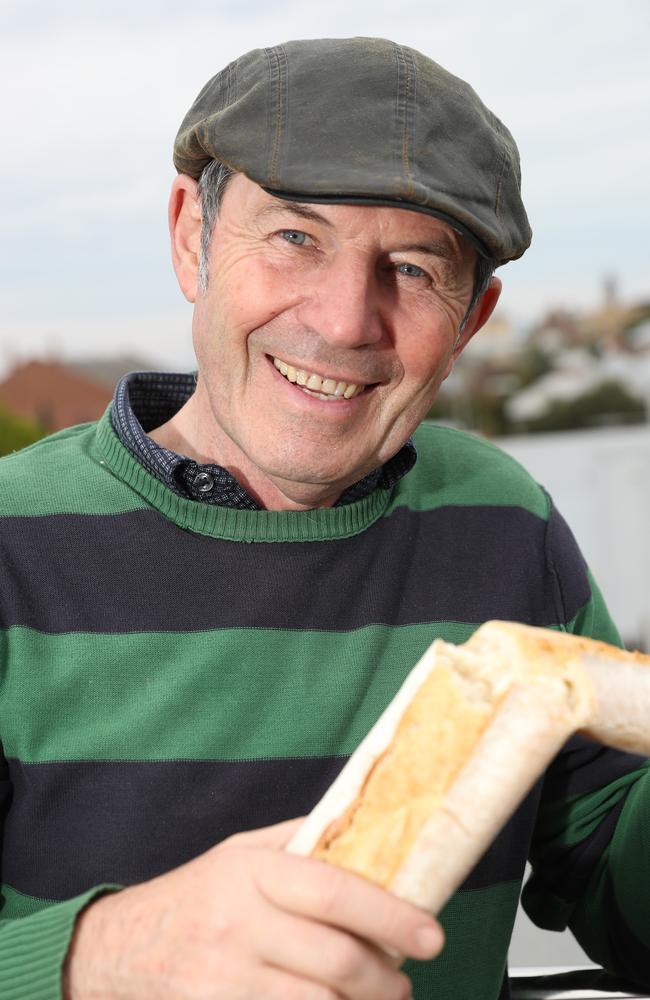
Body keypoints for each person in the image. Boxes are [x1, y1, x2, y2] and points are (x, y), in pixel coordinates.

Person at [0, 36, 649, 1000]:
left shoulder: (505, 518)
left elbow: (615, 895)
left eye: (417, 270)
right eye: (295, 236)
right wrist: (100, 955)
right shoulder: (15, 545)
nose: (347, 321)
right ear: (192, 238)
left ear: (472, 319)